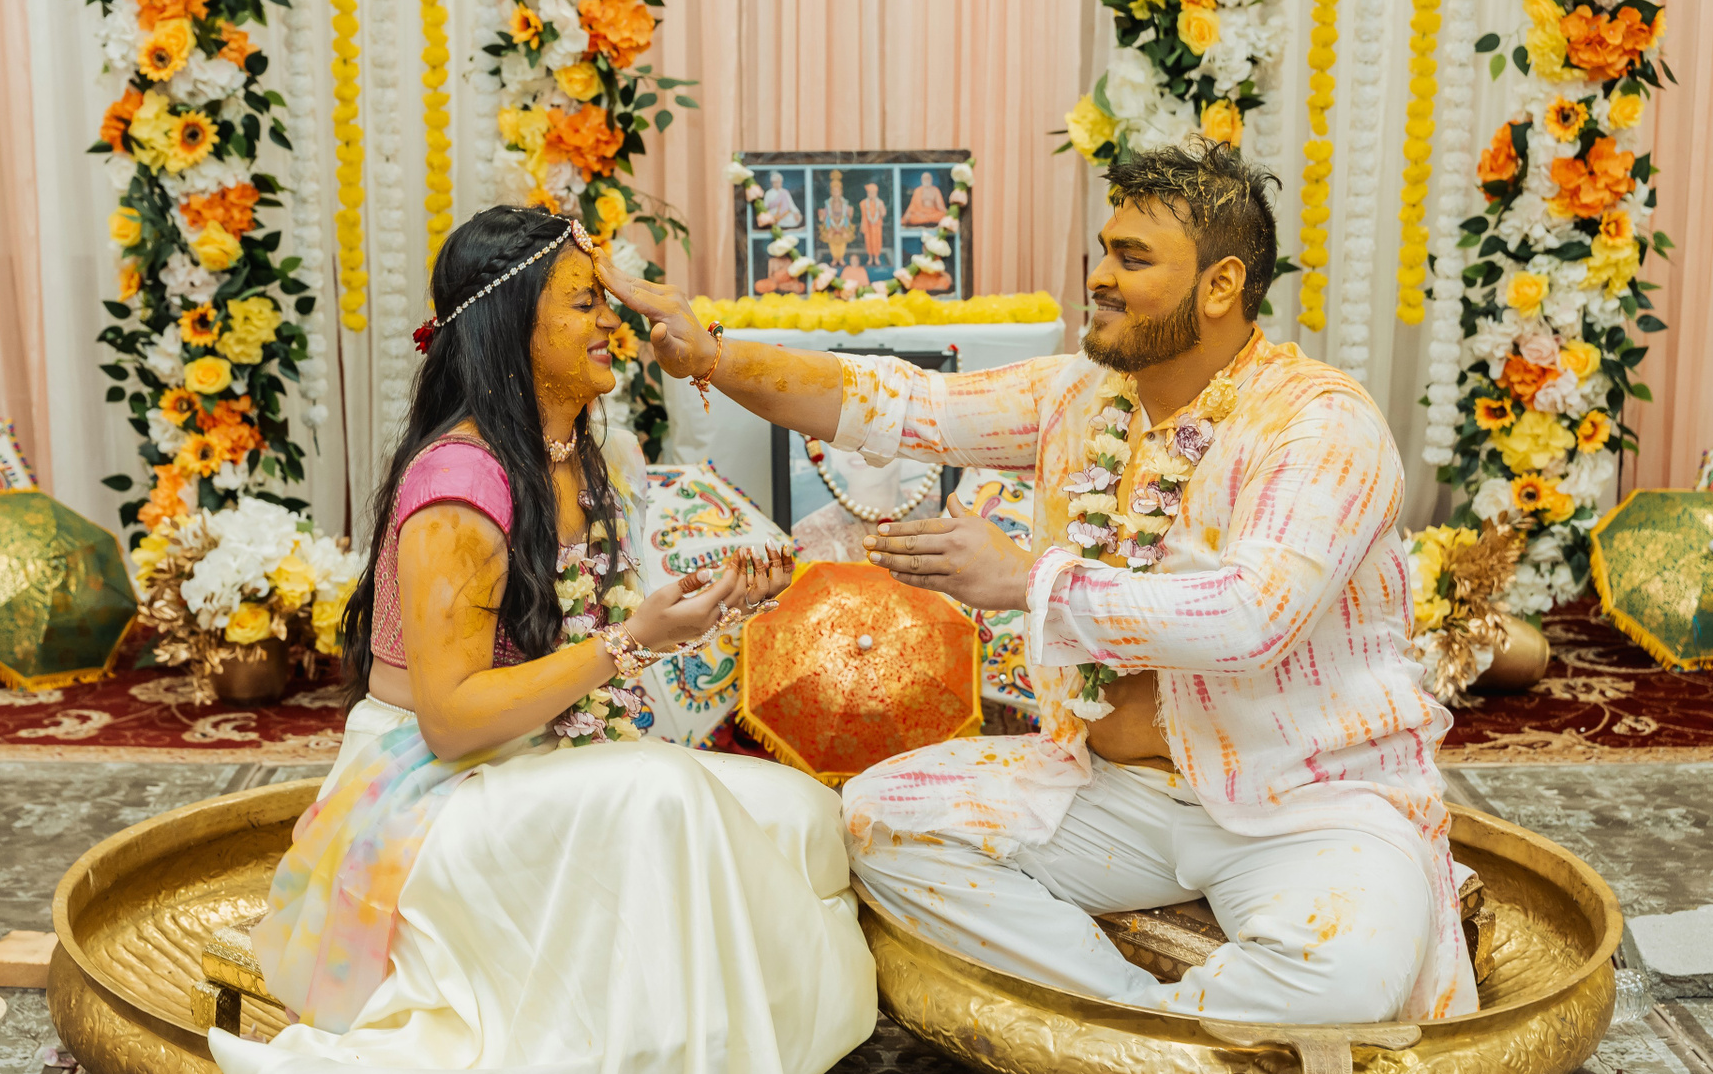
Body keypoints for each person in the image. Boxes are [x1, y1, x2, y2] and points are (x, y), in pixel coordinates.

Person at [600, 140, 1477, 1026]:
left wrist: (1031, 580)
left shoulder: (1321, 424)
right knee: (877, 819)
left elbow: (1253, 617)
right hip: (1111, 792)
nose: (1099, 277)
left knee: (1348, 976)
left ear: (1220, 286)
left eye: (1132, 258)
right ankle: (1136, 1017)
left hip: (1305, 801)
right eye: (1102, 251)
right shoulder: (1082, 397)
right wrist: (708, 356)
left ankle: (1145, 1031)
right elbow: (897, 402)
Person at [210, 205, 878, 1074]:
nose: (612, 323)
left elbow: (576, 635)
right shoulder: (460, 482)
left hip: (537, 755)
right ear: (511, 325)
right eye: (585, 303)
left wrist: (691, 615)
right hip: (430, 795)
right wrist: (630, 642)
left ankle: (710, 1069)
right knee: (662, 791)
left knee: (804, 814)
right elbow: (452, 719)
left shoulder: (572, 450)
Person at [860, 181, 887, 264]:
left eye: (873, 193)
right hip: (868, 226)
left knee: (877, 241)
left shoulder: (880, 203)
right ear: (867, 193)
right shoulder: (863, 203)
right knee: (868, 241)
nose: (871, 194)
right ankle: (870, 257)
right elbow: (863, 216)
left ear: (876, 193)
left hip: (876, 226)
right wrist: (862, 226)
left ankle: (877, 257)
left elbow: (883, 214)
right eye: (870, 193)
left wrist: (880, 208)